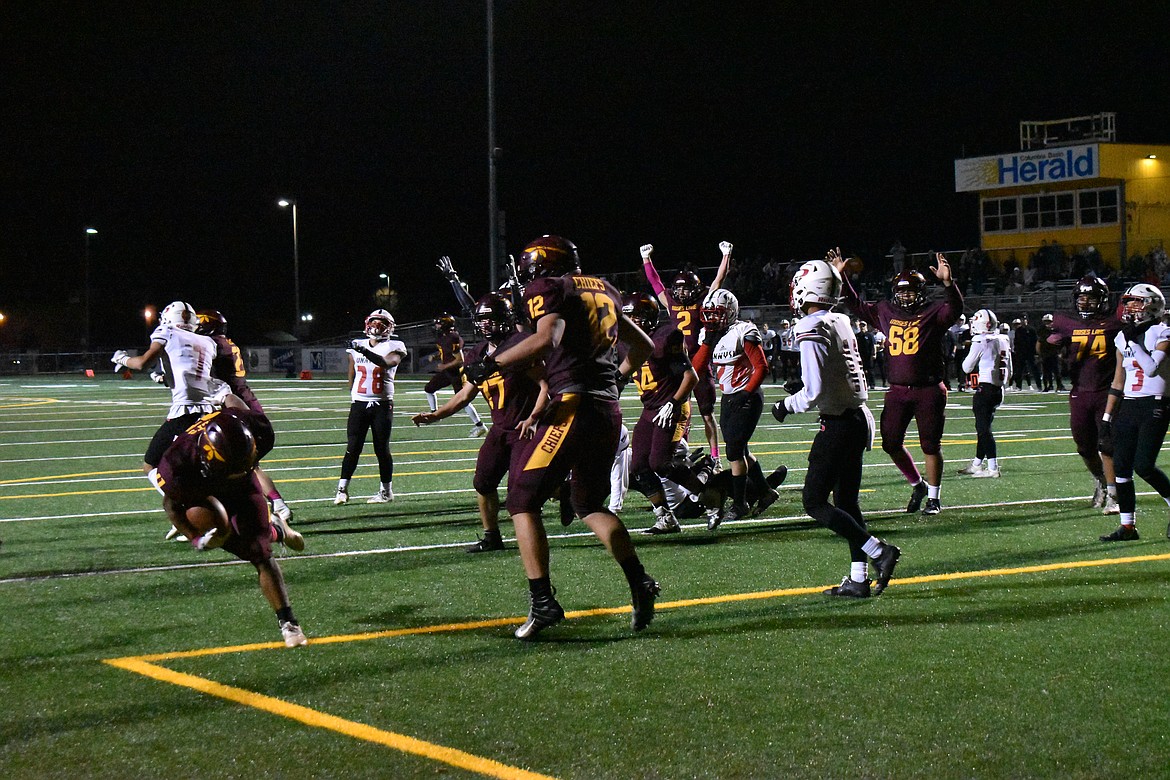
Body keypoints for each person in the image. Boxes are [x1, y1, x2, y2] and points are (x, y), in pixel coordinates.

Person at [462, 235, 659, 640]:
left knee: (521, 499)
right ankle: (639, 580)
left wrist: (491, 363)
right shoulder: (603, 288)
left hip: (573, 404)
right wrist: (616, 378)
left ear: (541, 266)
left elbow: (547, 338)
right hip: (607, 408)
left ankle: (543, 602)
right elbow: (643, 344)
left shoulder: (551, 287)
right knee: (587, 504)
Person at [771, 257, 900, 598]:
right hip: (857, 418)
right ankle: (858, 579)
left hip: (838, 425)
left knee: (814, 502)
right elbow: (834, 371)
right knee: (847, 502)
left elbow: (813, 392)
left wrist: (785, 406)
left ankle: (879, 551)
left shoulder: (810, 326)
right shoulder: (840, 319)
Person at [156, 395, 307, 647]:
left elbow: (237, 405)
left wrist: (226, 396)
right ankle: (276, 530)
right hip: (206, 491)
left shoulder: (257, 428)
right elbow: (170, 505)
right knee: (233, 539)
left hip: (245, 484)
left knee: (259, 553)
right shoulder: (177, 462)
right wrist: (196, 539)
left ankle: (288, 623)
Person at [412, 293, 547, 553]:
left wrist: (533, 418)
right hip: (500, 428)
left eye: (490, 319)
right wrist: (436, 415)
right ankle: (491, 537)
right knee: (483, 483)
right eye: (481, 320)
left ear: (505, 319)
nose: (485, 324)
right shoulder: (477, 354)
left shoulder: (520, 345)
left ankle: (560, 494)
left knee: (520, 493)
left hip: (525, 428)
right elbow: (465, 394)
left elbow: (546, 385)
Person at [832, 251, 963, 516]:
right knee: (890, 443)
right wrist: (841, 276)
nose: (905, 296)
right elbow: (856, 305)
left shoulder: (932, 312)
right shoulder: (885, 310)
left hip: (928, 389)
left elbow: (955, 310)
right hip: (897, 390)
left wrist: (949, 284)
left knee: (930, 445)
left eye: (911, 291)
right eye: (901, 292)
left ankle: (934, 498)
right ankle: (918, 484)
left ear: (921, 292)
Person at [112, 301, 224, 494]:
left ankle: (181, 504)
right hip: (210, 412)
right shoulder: (208, 342)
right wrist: (165, 379)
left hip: (184, 412)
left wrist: (121, 358)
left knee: (151, 464)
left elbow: (142, 363)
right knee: (199, 467)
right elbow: (193, 374)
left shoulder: (167, 332)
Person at [619, 292, 708, 535]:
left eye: (634, 317)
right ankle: (665, 517)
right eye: (627, 318)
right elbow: (620, 377)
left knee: (660, 463)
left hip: (672, 407)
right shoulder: (625, 343)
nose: (630, 323)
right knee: (639, 466)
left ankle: (709, 496)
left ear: (648, 317)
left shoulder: (665, 337)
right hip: (650, 409)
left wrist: (673, 402)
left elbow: (690, 377)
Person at [195, 309, 294, 524]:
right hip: (250, 407)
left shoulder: (211, 345)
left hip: (235, 411)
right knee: (249, 467)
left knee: (222, 469)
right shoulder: (227, 343)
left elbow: (199, 375)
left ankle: (217, 519)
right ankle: (278, 505)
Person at [640, 242, 732, 469]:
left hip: (697, 363)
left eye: (685, 289)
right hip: (675, 366)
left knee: (707, 414)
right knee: (681, 412)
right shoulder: (670, 301)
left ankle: (715, 456)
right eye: (678, 289)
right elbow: (655, 283)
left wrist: (726, 256)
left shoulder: (702, 301)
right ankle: (681, 451)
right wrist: (646, 260)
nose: (680, 293)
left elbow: (719, 280)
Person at [691, 287, 777, 528]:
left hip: (748, 395)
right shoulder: (710, 334)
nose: (711, 318)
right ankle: (765, 492)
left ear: (730, 312)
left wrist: (746, 393)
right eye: (709, 313)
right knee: (741, 449)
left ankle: (740, 503)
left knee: (734, 451)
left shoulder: (744, 330)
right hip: (729, 397)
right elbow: (697, 368)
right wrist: (707, 341)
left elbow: (761, 367)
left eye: (717, 313)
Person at [1098, 284, 1170, 542]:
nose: (1129, 307)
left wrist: (1131, 341)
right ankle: (1127, 526)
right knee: (1121, 467)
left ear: (1152, 304)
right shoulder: (1123, 336)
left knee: (1144, 466)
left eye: (1136, 302)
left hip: (1155, 404)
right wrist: (1107, 417)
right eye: (1128, 302)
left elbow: (1151, 369)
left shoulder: (1164, 331)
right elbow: (1118, 381)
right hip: (1129, 404)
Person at [1047, 276, 1122, 514]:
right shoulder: (1065, 322)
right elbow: (1047, 348)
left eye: (1091, 297)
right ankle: (1101, 480)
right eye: (1082, 297)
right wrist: (1049, 343)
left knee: (1108, 445)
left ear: (1102, 299)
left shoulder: (1114, 322)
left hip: (1106, 391)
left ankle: (1114, 494)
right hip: (1079, 391)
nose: (1085, 302)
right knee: (1084, 447)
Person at [333, 309, 408, 505]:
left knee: (381, 449)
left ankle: (386, 492)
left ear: (390, 327)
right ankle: (342, 490)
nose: (377, 325)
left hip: (382, 404)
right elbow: (352, 372)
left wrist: (364, 351)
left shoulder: (395, 346)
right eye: (374, 321)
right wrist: (353, 394)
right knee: (352, 447)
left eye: (381, 322)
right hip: (359, 403)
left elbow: (386, 362)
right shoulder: (356, 345)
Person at [957, 309, 1012, 478]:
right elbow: (1010, 369)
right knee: (983, 428)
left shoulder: (981, 340)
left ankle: (993, 468)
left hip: (986, 389)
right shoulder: (1003, 338)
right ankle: (977, 464)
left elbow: (967, 367)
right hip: (998, 389)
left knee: (983, 429)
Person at [424, 314, 487, 438]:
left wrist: (444, 366)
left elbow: (459, 360)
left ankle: (480, 426)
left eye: (439, 324)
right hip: (448, 371)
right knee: (429, 389)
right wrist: (436, 356)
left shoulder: (453, 338)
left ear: (445, 325)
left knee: (463, 400)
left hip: (457, 372)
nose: (436, 326)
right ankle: (434, 414)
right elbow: (446, 352)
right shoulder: (444, 337)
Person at [1036, 313, 1066, 392]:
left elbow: (1062, 342)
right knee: (1046, 372)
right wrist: (1039, 353)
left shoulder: (1057, 330)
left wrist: (1061, 353)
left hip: (1055, 353)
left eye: (1049, 321)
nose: (1047, 323)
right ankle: (1048, 386)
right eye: (1046, 321)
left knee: (1057, 371)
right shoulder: (1042, 330)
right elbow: (1039, 342)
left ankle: (1059, 386)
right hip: (1045, 353)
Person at [1012, 316, 1040, 391]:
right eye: (1022, 319)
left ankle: (1039, 386)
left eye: (1024, 319)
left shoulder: (1031, 330)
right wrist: (1016, 350)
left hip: (1030, 353)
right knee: (1019, 370)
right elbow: (1016, 341)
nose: (1023, 321)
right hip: (1021, 353)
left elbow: (1035, 341)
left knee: (1034, 369)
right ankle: (1018, 386)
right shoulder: (1018, 330)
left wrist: (1036, 352)